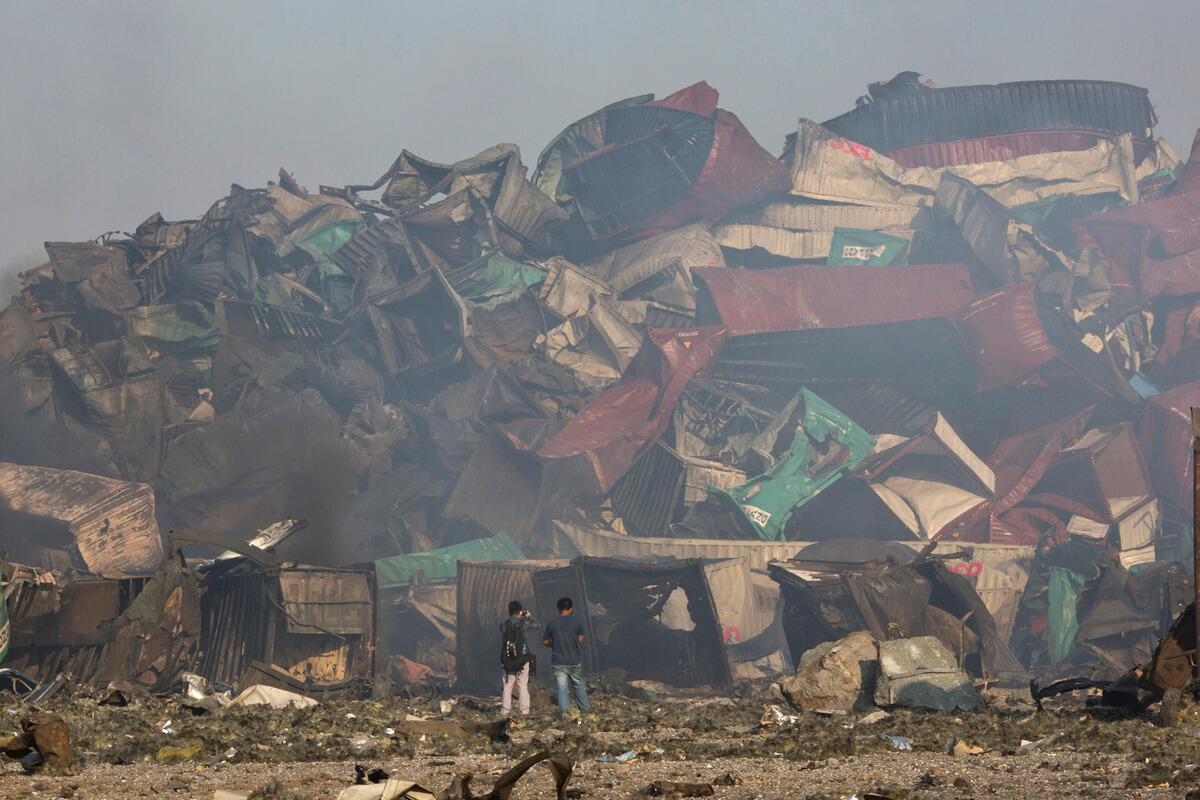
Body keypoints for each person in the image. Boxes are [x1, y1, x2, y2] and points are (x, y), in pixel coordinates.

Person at [541, 596, 589, 718]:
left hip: (558, 662)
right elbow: (581, 639)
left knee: (562, 688)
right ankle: (585, 710)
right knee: (578, 684)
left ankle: (565, 715)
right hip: (574, 660)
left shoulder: (552, 623)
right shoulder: (577, 621)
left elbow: (545, 642)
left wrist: (555, 643)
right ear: (571, 608)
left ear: (558, 609)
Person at [500, 600, 535, 717]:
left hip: (508, 659)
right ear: (520, 611)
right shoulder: (524, 624)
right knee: (522, 684)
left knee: (507, 686)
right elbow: (537, 626)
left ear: (509, 612)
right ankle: (524, 711)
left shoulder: (503, 625)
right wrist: (529, 617)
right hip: (522, 659)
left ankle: (505, 711)